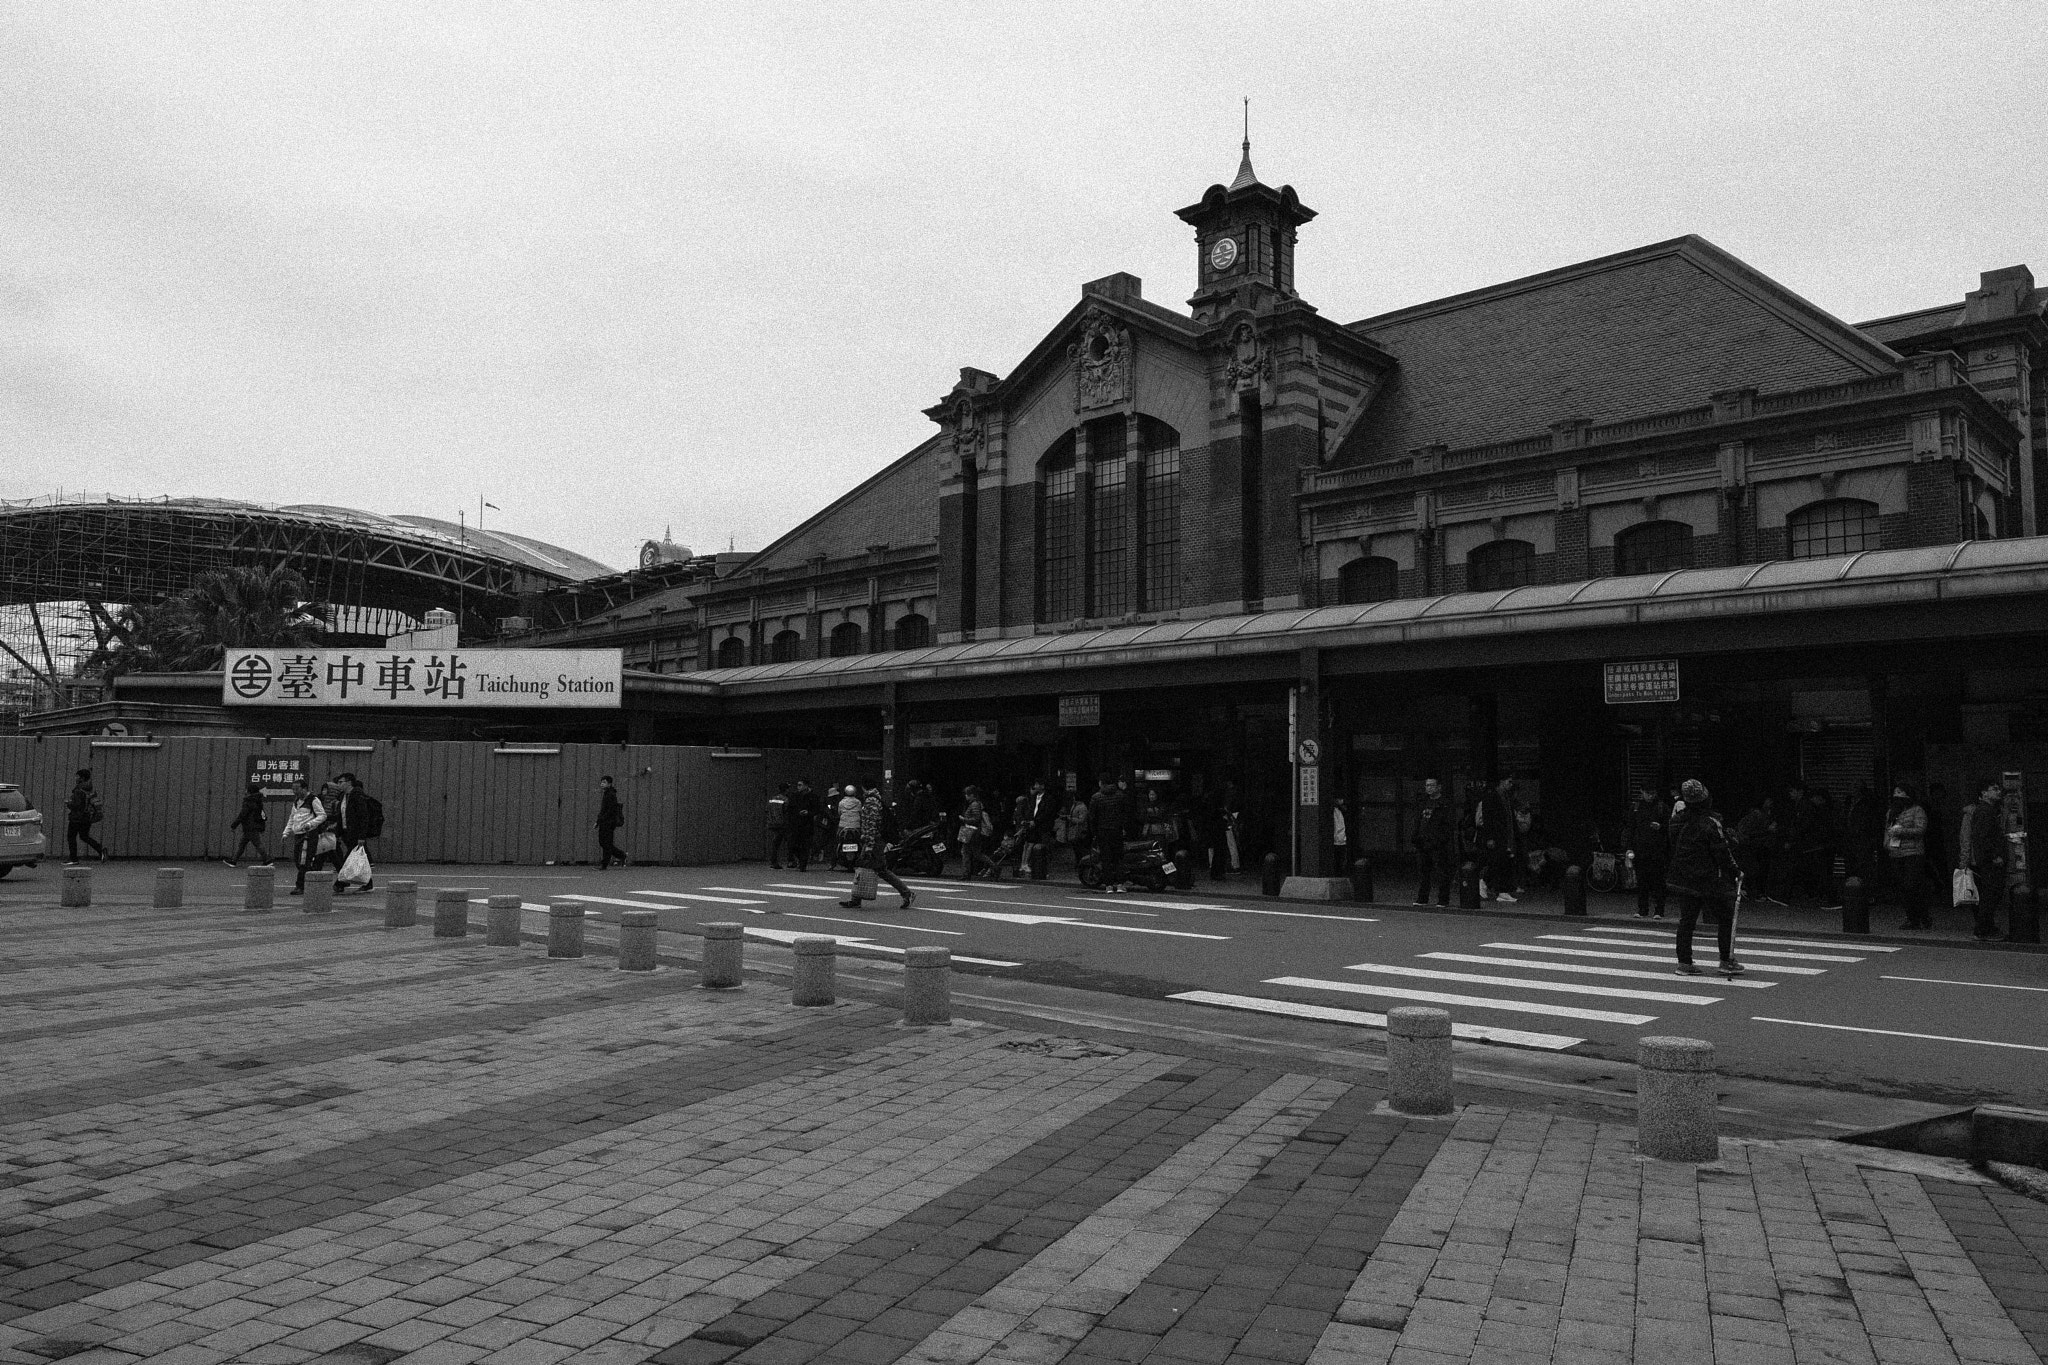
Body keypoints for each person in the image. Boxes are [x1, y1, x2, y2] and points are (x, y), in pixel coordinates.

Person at [1665, 778, 1745, 976]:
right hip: (1708, 879)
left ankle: (1684, 963)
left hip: (1683, 877)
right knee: (1725, 917)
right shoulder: (1711, 823)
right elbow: (1722, 852)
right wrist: (1735, 871)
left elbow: (1672, 847)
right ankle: (1726, 960)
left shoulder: (1676, 821)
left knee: (1687, 921)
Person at [840, 784, 915, 910]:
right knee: (864, 865)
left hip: (874, 840)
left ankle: (907, 893)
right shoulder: (875, 798)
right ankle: (855, 899)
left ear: (863, 786)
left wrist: (869, 844)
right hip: (874, 839)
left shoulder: (871, 801)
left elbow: (871, 824)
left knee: (881, 869)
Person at [1961, 777, 2009, 940]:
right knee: (1990, 895)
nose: (1998, 791)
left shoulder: (1988, 810)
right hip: (1989, 861)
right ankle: (1983, 929)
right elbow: (1981, 837)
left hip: (1985, 859)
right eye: (1994, 789)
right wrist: (1994, 855)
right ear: (1984, 793)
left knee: (1989, 895)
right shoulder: (1984, 811)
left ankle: (1986, 927)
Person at [1882, 784, 1929, 929]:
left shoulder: (1917, 810)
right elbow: (1887, 830)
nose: (1897, 795)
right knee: (1902, 886)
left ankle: (1920, 915)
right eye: (1895, 792)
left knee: (1912, 885)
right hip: (1896, 852)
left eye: (1901, 792)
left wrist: (1902, 831)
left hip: (1912, 853)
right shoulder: (1892, 812)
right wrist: (1887, 843)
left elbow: (1921, 829)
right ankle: (1911, 916)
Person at [1625, 784, 1670, 919]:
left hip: (1657, 850)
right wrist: (1629, 847)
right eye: (1648, 793)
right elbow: (1630, 828)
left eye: (1653, 793)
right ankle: (1642, 909)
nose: (1650, 796)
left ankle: (1659, 910)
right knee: (1642, 881)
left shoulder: (1662, 807)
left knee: (1658, 882)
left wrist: (1661, 827)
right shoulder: (1636, 808)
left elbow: (1670, 828)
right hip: (1640, 849)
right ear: (1642, 792)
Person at [1412, 778, 1456, 907]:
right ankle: (1422, 898)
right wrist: (1416, 836)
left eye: (1432, 785)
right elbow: (1418, 821)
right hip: (1423, 842)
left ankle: (1443, 899)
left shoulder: (1445, 804)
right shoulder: (1423, 802)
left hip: (1437, 843)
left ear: (1438, 787)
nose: (1429, 788)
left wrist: (1441, 839)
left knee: (1442, 871)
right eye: (1427, 785)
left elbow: (1448, 824)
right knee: (1424, 872)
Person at [1732, 797, 1784, 906]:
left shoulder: (1764, 814)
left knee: (1757, 869)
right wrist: (1767, 830)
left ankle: (1753, 891)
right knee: (1755, 869)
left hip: (1759, 845)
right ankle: (1754, 892)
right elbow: (1749, 832)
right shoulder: (1756, 815)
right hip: (1755, 846)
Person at [1473, 777, 1518, 902]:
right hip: (1497, 835)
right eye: (1509, 781)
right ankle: (1494, 887)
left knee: (1501, 861)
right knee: (1498, 861)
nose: (1510, 784)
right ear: (1502, 782)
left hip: (1503, 834)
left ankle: (1497, 888)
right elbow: (1488, 818)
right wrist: (1490, 837)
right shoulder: (1493, 797)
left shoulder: (1504, 797)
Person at [1087, 773, 1132, 893]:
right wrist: (1123, 828)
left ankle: (1109, 885)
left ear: (1101, 783)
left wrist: (1094, 833)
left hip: (1102, 831)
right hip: (1117, 830)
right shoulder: (1120, 795)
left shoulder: (1096, 797)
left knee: (1106, 858)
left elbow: (1092, 818)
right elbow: (1126, 814)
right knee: (1118, 857)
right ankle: (1121, 884)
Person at [331, 773, 376, 893]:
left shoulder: (357, 795)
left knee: (348, 859)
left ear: (349, 782)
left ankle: (341, 883)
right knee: (355, 859)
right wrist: (338, 833)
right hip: (346, 832)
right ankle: (367, 883)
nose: (339, 785)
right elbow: (341, 816)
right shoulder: (343, 796)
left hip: (356, 833)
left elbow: (363, 816)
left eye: (341, 782)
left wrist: (362, 836)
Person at [283, 781, 325, 895]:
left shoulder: (313, 800)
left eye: (297, 789)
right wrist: (286, 833)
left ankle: (300, 886)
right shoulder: (297, 801)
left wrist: (310, 824)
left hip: (309, 834)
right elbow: (292, 817)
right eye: (293, 789)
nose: (295, 791)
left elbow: (322, 815)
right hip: (298, 834)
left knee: (304, 860)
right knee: (297, 860)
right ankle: (314, 879)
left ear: (305, 788)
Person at [64, 768, 107, 864]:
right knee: (84, 836)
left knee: (71, 837)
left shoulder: (79, 790)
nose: (76, 778)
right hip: (87, 817)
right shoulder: (89, 789)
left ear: (82, 778)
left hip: (77, 818)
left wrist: (69, 803)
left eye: (77, 776)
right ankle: (100, 850)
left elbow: (78, 806)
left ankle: (73, 859)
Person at [1019, 779, 1057, 880]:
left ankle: (1044, 870)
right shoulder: (1033, 798)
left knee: (1044, 848)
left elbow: (1047, 813)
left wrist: (1036, 821)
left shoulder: (1049, 799)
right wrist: (1027, 820)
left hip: (1043, 827)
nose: (1035, 786)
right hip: (1033, 826)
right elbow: (1031, 810)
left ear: (1042, 786)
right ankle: (1026, 865)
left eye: (1037, 784)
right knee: (1029, 844)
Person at [225, 781, 269, 867]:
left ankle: (267, 860)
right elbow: (262, 814)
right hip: (255, 825)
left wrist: (234, 825)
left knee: (257, 844)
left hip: (249, 826)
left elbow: (242, 814)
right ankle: (233, 861)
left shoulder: (248, 801)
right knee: (242, 844)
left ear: (249, 791)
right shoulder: (258, 801)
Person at [957, 785, 995, 879]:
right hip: (974, 832)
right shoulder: (977, 804)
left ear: (972, 795)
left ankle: (966, 873)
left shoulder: (974, 804)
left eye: (967, 794)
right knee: (976, 853)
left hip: (971, 831)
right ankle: (994, 867)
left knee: (966, 852)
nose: (966, 796)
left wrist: (964, 819)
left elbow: (976, 819)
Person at [596, 776, 628, 869]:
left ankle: (604, 864)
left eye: (604, 782)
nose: (602, 784)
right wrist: (598, 821)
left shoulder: (610, 795)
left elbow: (610, 810)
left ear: (609, 784)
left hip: (608, 823)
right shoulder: (607, 794)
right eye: (602, 782)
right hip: (605, 822)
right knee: (605, 843)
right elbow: (604, 810)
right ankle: (622, 855)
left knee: (606, 843)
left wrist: (601, 819)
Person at [786, 779, 817, 872]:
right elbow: (790, 809)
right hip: (795, 824)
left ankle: (803, 864)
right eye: (798, 785)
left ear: (806, 786)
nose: (798, 787)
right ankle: (799, 859)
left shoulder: (813, 797)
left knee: (805, 845)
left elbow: (817, 809)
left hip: (807, 824)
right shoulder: (795, 796)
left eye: (800, 785)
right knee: (792, 844)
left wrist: (808, 812)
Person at [833, 784, 863, 870]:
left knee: (837, 841)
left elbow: (839, 813)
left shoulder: (841, 803)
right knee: (860, 841)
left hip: (843, 826)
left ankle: (833, 862)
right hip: (856, 826)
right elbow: (860, 813)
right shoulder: (858, 802)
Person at [766, 783, 790, 869]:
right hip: (782, 824)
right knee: (790, 842)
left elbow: (768, 810)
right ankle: (791, 860)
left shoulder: (772, 799)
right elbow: (787, 812)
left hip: (772, 823)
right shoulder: (786, 800)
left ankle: (773, 861)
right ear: (786, 790)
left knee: (775, 843)